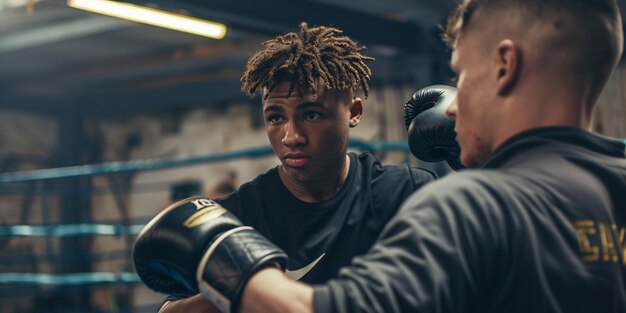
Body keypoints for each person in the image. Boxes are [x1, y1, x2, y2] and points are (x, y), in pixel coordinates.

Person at [151, 22, 445, 313]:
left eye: (312, 114)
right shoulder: (239, 217)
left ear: (354, 113)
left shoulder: (404, 193)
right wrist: (233, 280)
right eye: (276, 118)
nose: (291, 137)